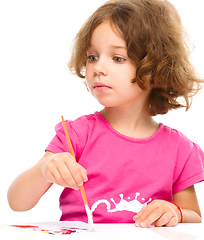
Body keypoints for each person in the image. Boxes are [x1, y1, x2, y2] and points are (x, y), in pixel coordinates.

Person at [7, 0, 204, 228]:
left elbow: (195, 218)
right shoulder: (77, 135)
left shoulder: (179, 149)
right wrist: (45, 169)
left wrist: (175, 212)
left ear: (156, 70)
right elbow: (17, 202)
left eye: (118, 58)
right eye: (92, 57)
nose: (98, 68)